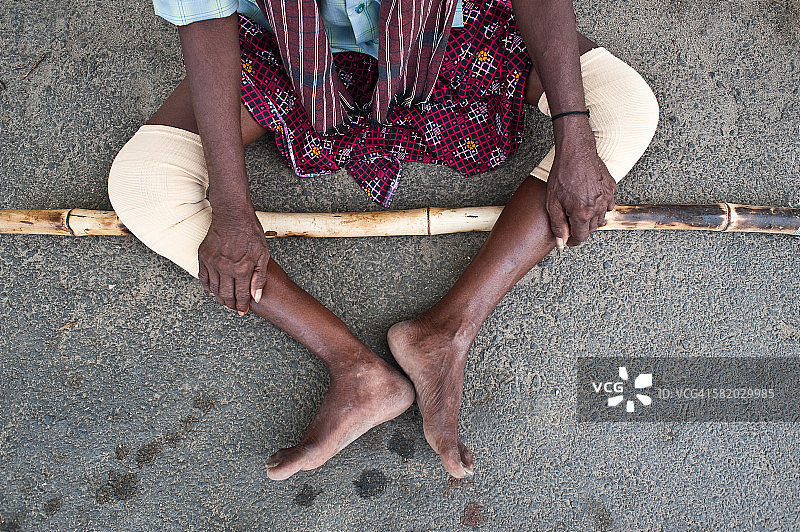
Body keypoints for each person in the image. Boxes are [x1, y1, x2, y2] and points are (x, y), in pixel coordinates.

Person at [108, 0, 658, 480]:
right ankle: (355, 369)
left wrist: (573, 132)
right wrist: (231, 208)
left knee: (624, 112)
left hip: (447, 30)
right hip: (293, 51)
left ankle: (447, 333)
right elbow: (206, 19)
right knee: (145, 188)